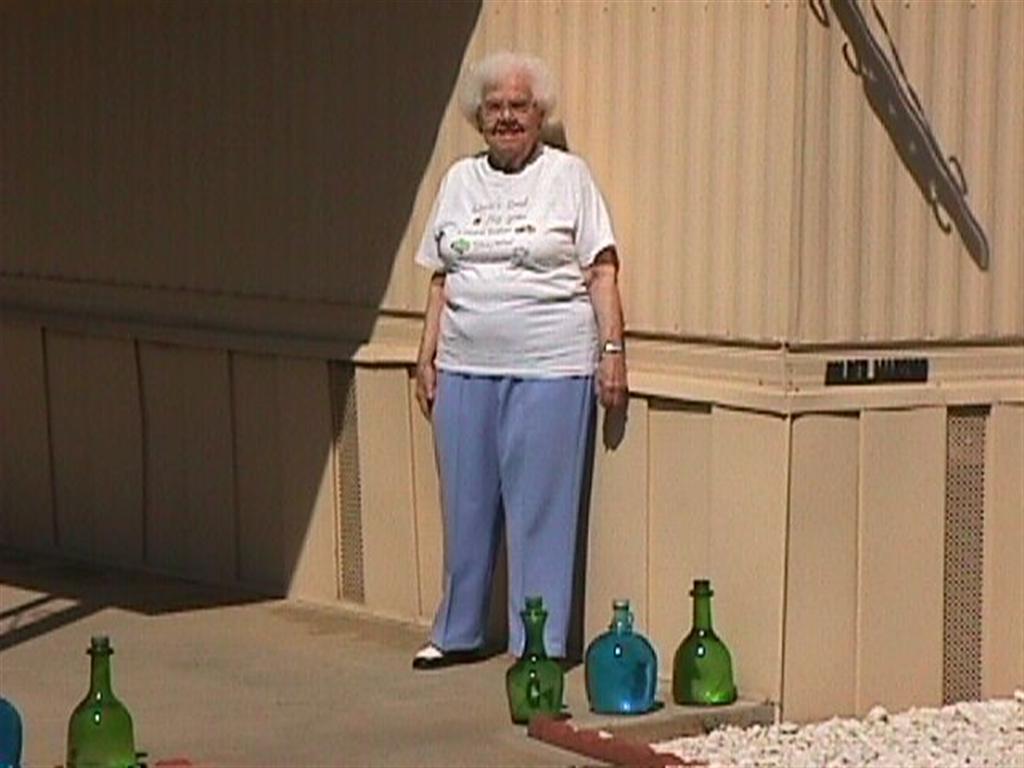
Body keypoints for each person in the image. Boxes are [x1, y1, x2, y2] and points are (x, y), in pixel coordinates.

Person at [412, 51, 627, 669]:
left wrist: (612, 353)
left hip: (550, 365)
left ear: (540, 115)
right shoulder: (458, 181)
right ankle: (456, 632)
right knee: (466, 504)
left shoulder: (568, 177)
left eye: (519, 107)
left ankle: (542, 644)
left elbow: (601, 269)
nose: (507, 118)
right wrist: (425, 356)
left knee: (541, 512)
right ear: (479, 117)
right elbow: (441, 277)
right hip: (464, 363)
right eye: (495, 108)